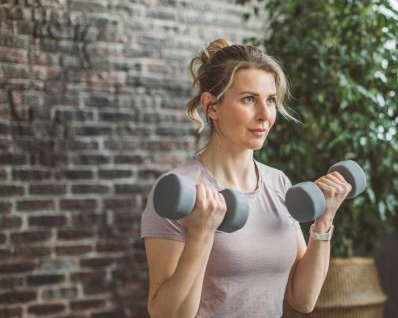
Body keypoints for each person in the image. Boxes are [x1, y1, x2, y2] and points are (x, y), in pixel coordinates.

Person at [140, 38, 352, 317]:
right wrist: (201, 233)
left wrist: (325, 220)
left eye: (271, 101)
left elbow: (303, 298)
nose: (265, 115)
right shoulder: (179, 191)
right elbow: (166, 314)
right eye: (249, 99)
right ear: (211, 106)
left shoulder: (278, 184)